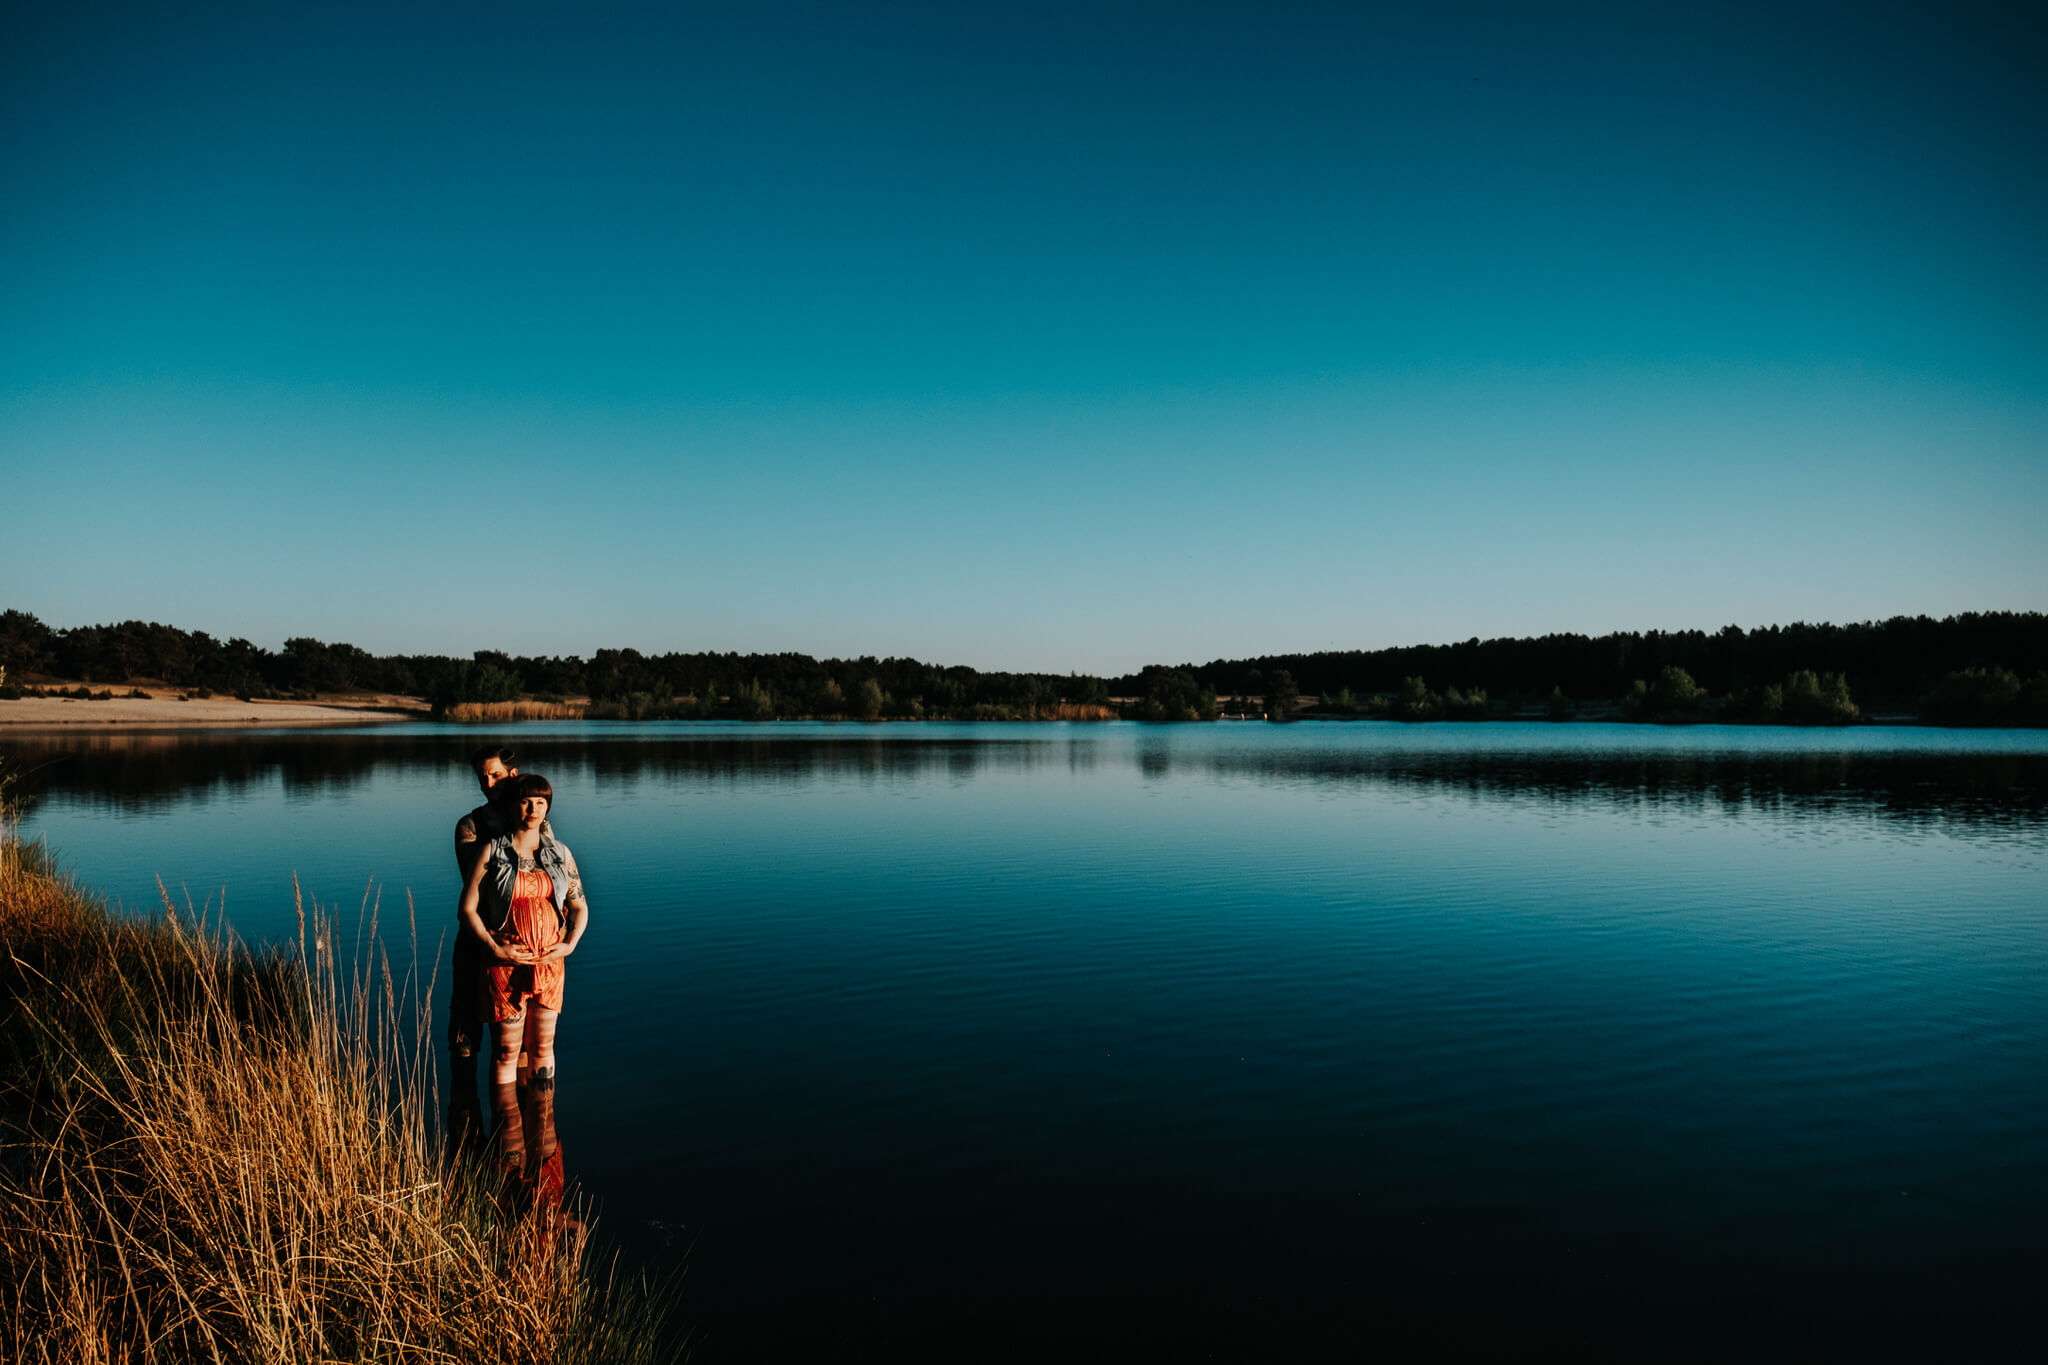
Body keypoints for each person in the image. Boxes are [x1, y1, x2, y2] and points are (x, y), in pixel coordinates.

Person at [459, 773, 588, 1090]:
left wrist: (570, 945)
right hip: (504, 967)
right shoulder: (492, 852)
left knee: (543, 1049)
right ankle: (509, 1131)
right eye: (526, 802)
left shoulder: (560, 853)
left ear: (548, 809)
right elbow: (467, 909)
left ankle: (543, 1128)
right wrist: (495, 948)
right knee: (506, 1051)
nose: (533, 809)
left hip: (549, 967)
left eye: (540, 803)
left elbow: (580, 907)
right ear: (513, 806)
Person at [449, 746, 551, 1068]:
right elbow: (479, 890)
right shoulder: (470, 826)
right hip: (478, 940)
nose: (487, 784)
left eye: (494, 775)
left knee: (518, 1049)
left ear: (512, 775)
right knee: (464, 1041)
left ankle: (519, 1112)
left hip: (523, 947)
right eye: (482, 778)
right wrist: (494, 940)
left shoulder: (534, 821)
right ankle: (464, 1112)